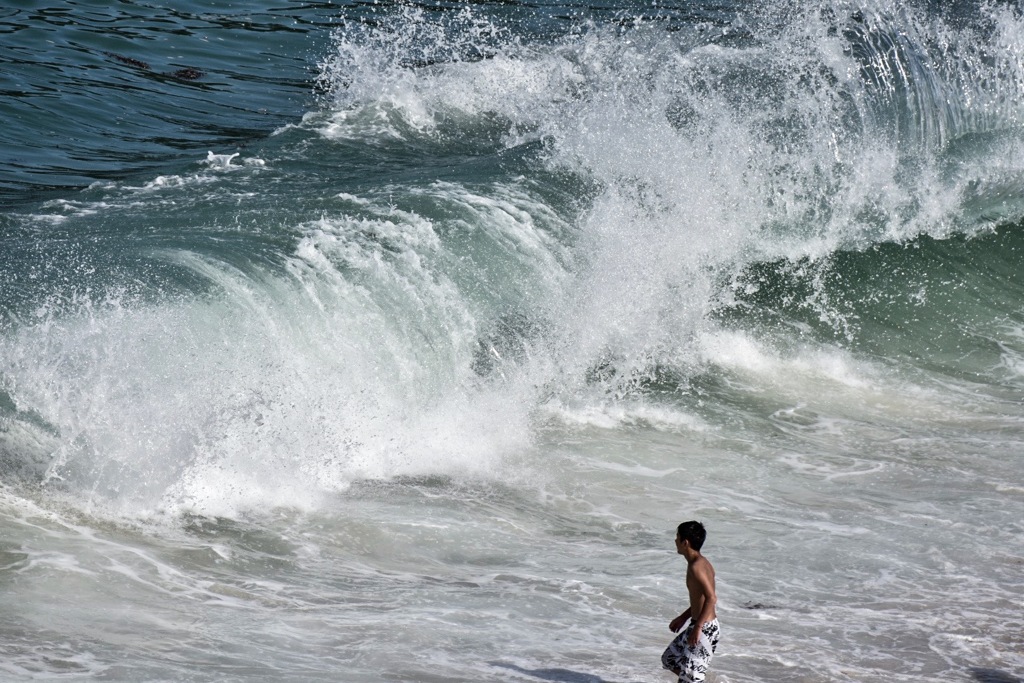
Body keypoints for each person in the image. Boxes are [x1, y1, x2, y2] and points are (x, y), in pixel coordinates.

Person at [661, 521, 720, 682]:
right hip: (697, 624)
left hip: (705, 628)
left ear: (685, 542)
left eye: (677, 537)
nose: (675, 541)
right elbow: (699, 599)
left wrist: (698, 628)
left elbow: (711, 598)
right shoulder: (698, 562)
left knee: (689, 677)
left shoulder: (697, 567)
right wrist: (684, 617)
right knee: (669, 658)